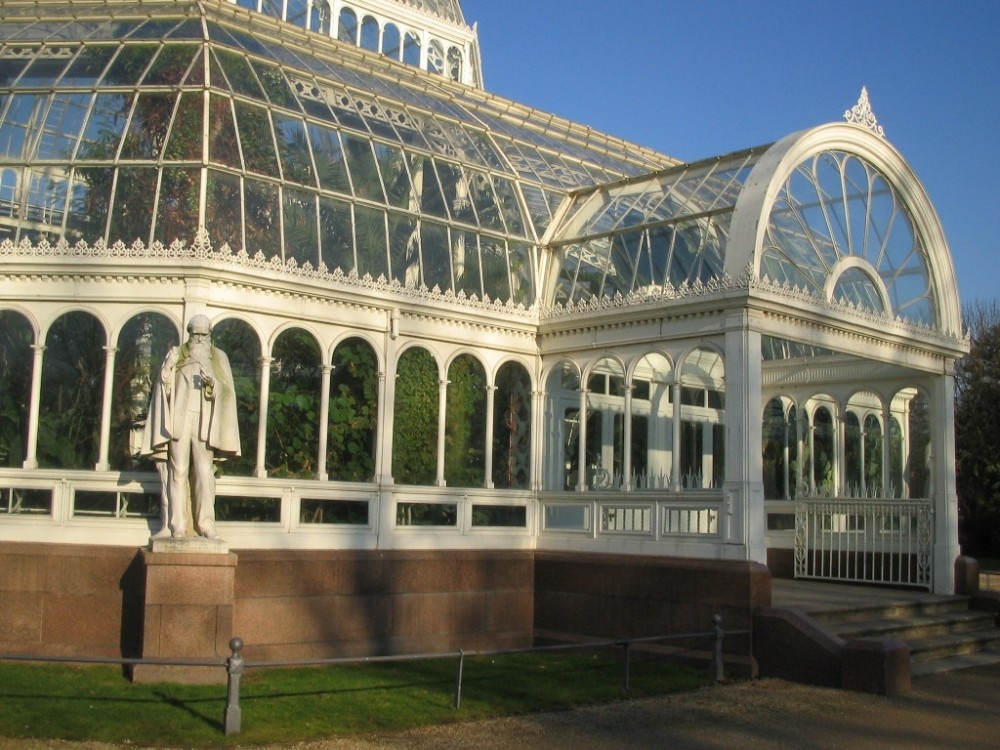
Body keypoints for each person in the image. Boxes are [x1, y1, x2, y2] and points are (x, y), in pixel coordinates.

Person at [141, 315, 240, 539]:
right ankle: (178, 524)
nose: (199, 339)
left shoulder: (218, 357)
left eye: (204, 335)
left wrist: (213, 383)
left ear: (210, 335)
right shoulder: (176, 354)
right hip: (180, 419)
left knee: (205, 472)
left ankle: (206, 523)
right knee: (178, 471)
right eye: (196, 334)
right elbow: (163, 388)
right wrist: (167, 368)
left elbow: (228, 392)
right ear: (189, 333)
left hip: (205, 421)